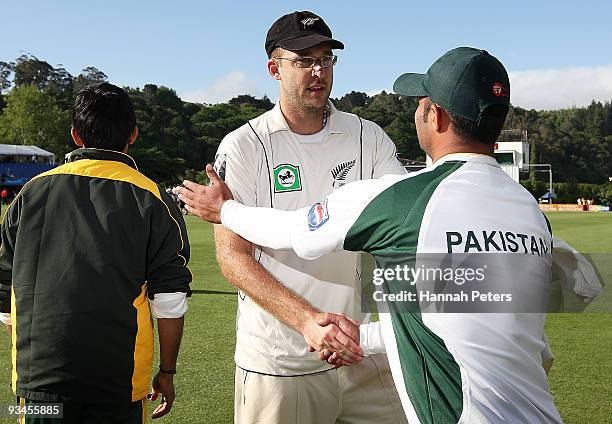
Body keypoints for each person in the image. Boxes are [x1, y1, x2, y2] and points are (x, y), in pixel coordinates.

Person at [180, 47, 564, 423]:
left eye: (421, 102)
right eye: (304, 60)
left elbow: (297, 230)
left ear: (437, 117)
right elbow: (470, 310)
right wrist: (364, 339)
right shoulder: (530, 212)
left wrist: (223, 210)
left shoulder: (406, 200)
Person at [182, 10, 407, 424]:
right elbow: (234, 258)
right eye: (303, 60)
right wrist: (307, 322)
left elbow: (401, 223)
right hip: (281, 361)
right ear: (274, 68)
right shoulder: (244, 146)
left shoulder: (368, 136)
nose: (318, 71)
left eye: (325, 58)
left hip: (360, 351)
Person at [0, 83, 192, 423]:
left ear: (75, 135)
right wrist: (168, 372)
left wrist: (43, 360)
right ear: (133, 134)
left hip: (38, 385)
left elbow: (4, 294)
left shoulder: (30, 193)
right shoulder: (150, 196)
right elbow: (171, 299)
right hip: (117, 382)